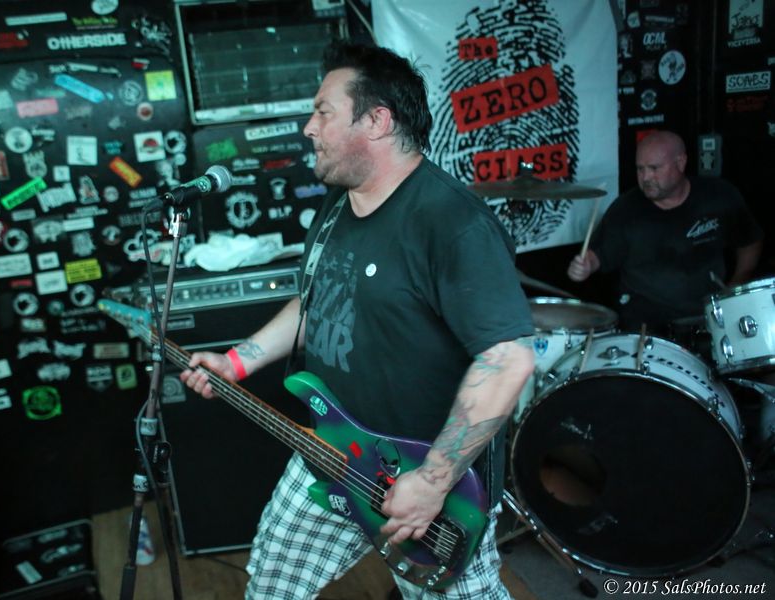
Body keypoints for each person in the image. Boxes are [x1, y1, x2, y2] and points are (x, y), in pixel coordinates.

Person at [180, 42, 534, 599]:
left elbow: (508, 359)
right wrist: (237, 361)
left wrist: (433, 481)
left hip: (425, 484)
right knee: (270, 588)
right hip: (330, 454)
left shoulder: (451, 223)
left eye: (323, 111)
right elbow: (318, 300)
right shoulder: (338, 203)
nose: (308, 127)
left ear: (376, 121)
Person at [567, 130, 763, 334]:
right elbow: (598, 255)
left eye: (654, 168)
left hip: (707, 316)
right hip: (646, 324)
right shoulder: (625, 209)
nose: (646, 177)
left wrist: (741, 278)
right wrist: (586, 265)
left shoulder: (718, 196)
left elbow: (749, 240)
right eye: (640, 169)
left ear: (680, 162)